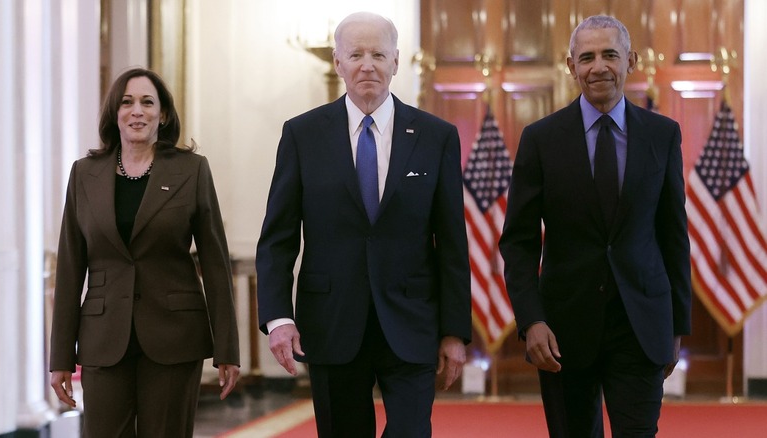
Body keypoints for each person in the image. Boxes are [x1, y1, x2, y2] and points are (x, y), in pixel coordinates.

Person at [256, 11, 472, 437]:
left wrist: (454, 332)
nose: (367, 64)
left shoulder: (435, 136)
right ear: (338, 62)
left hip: (411, 323)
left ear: (396, 61)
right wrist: (278, 317)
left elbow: (451, 243)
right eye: (356, 54)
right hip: (331, 323)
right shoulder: (302, 135)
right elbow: (278, 237)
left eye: (378, 54)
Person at [499, 15, 691, 437]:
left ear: (631, 61)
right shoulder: (540, 139)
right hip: (562, 333)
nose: (598, 67)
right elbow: (519, 242)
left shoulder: (663, 135)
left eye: (609, 55)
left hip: (641, 326)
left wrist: (677, 323)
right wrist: (530, 320)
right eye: (586, 57)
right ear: (571, 66)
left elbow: (673, 234)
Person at [49, 67, 240, 437]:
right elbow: (71, 269)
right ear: (114, 114)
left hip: (174, 336)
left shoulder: (192, 170)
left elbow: (216, 263)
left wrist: (227, 349)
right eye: (127, 102)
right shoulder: (84, 174)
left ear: (163, 114)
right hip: (103, 338)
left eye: (147, 102)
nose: (137, 111)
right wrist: (60, 357)